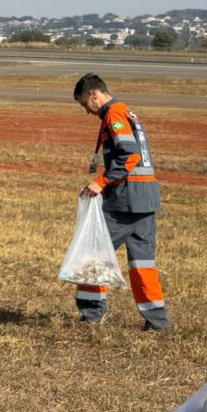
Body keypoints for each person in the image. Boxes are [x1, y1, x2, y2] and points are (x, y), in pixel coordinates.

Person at [72, 73, 170, 331]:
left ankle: (91, 315)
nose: (87, 111)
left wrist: (101, 182)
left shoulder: (114, 115)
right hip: (145, 199)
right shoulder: (127, 112)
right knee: (143, 263)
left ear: (93, 94)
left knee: (93, 253)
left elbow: (129, 155)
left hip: (126, 201)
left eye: (85, 104)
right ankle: (157, 321)